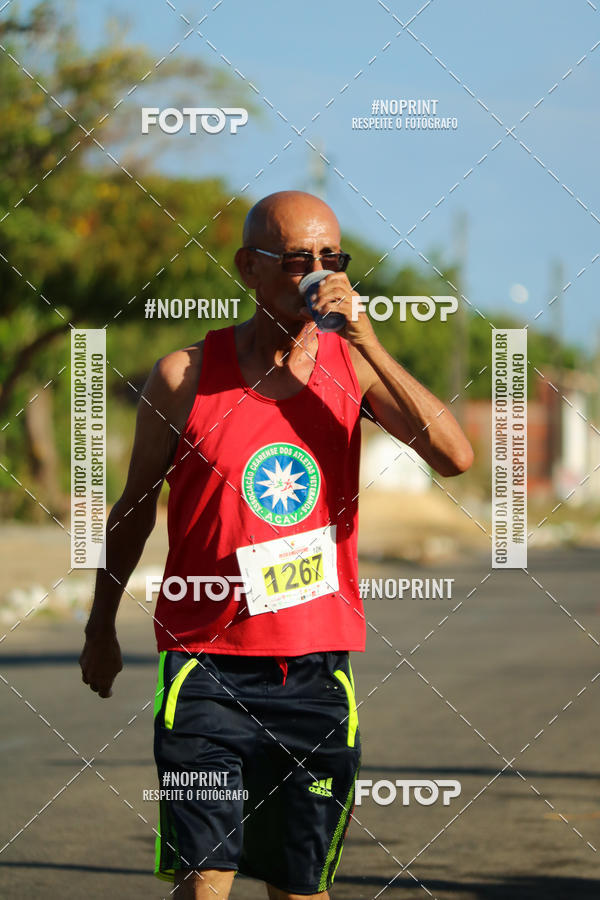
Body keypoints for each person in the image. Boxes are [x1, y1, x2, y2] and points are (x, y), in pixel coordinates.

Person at [79, 190, 473, 899]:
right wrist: (99, 626)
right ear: (249, 268)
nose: (320, 274)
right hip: (206, 667)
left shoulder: (352, 370)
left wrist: (369, 341)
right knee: (207, 878)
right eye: (298, 260)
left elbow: (456, 457)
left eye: (332, 259)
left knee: (299, 887)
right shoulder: (186, 375)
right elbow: (133, 511)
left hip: (316, 671)